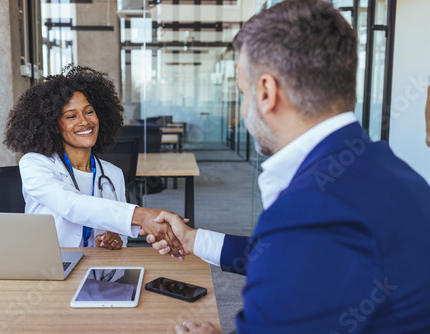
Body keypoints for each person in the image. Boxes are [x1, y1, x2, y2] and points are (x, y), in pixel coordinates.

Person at [149, 0, 430, 333]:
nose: (243, 112)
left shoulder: (311, 211)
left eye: (243, 93)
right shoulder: (396, 172)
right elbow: (305, 264)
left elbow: (300, 246)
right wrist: (195, 240)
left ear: (266, 92)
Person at [4, 65, 183, 255]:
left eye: (89, 112)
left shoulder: (113, 173)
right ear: (54, 126)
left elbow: (121, 236)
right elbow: (70, 204)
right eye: (71, 116)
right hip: (52, 271)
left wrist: (114, 239)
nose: (84, 121)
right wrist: (141, 215)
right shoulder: (36, 164)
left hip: (101, 276)